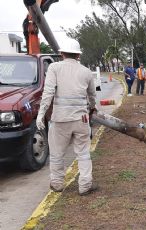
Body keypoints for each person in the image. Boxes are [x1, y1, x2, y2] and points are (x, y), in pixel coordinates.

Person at [36, 38, 98, 196]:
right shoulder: (86, 71)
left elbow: (48, 93)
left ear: (62, 53)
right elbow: (92, 95)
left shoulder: (54, 68)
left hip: (60, 120)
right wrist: (92, 108)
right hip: (81, 120)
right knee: (83, 153)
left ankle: (57, 184)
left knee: (57, 154)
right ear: (78, 55)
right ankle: (85, 185)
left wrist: (41, 115)